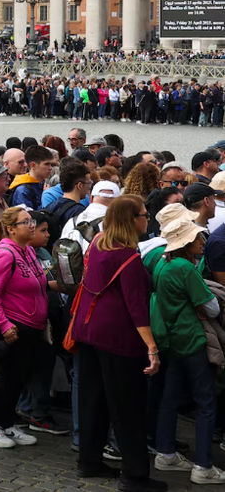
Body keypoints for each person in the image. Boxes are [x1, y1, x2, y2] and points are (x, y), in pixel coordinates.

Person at [70, 194, 162, 490]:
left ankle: (89, 460)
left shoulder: (98, 243)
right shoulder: (129, 258)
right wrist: (152, 347)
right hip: (117, 339)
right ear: (131, 219)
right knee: (128, 407)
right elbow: (137, 308)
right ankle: (135, 475)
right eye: (144, 215)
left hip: (89, 330)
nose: (147, 219)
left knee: (93, 400)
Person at [150, 215, 225, 483]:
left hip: (171, 339)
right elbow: (211, 306)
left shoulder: (162, 263)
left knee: (170, 398)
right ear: (187, 242)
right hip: (191, 338)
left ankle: (166, 453)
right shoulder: (185, 268)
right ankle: (203, 467)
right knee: (205, 401)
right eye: (197, 237)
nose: (203, 241)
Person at [0, 206, 46, 449]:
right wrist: (5, 325)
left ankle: (5, 423)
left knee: (19, 377)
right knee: (7, 377)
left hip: (30, 326)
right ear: (11, 229)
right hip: (12, 327)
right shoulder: (5, 254)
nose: (31, 225)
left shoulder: (27, 251)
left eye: (31, 220)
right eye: (25, 222)